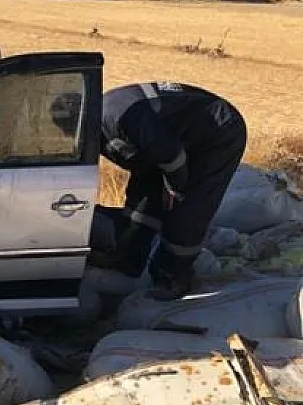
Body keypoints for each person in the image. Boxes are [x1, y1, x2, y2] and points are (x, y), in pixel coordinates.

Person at [74, 82, 246, 300]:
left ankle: (173, 276)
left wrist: (174, 188)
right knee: (142, 202)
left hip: (217, 135)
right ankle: (129, 258)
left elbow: (173, 157)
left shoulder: (120, 118)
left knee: (187, 212)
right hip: (170, 142)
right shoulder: (98, 122)